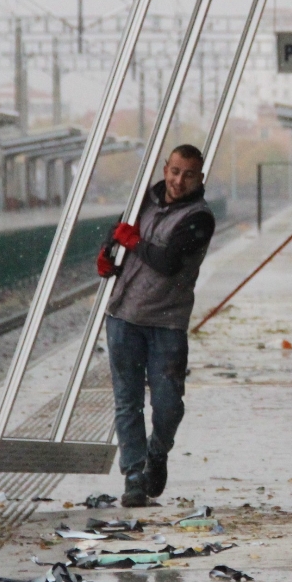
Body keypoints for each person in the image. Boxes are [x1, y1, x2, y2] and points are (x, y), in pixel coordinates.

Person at [98, 145, 216, 508]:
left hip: (167, 323)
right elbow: (118, 232)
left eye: (189, 175)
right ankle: (133, 476)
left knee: (167, 405)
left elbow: (167, 262)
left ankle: (158, 450)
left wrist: (133, 241)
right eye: (175, 171)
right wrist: (108, 253)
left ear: (199, 178)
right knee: (127, 401)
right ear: (165, 169)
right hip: (124, 315)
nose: (179, 181)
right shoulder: (143, 202)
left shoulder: (199, 218)